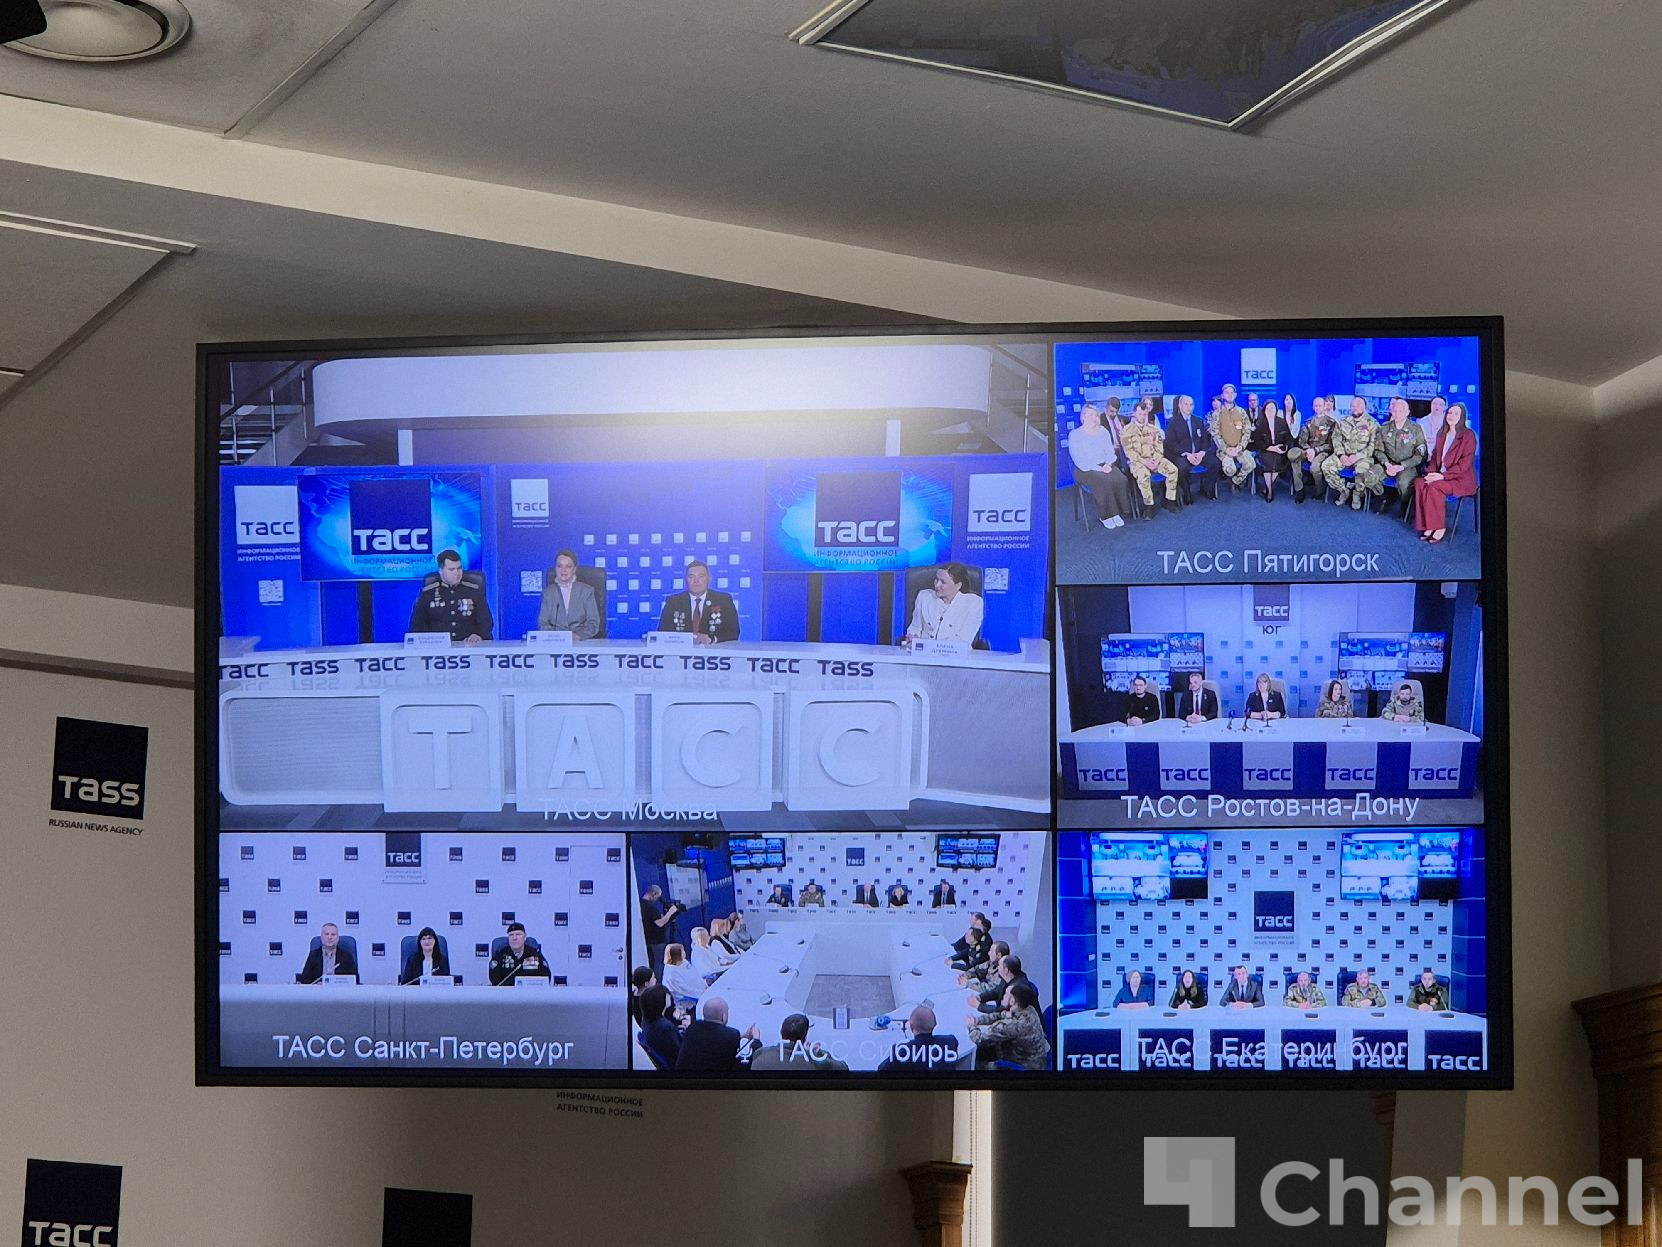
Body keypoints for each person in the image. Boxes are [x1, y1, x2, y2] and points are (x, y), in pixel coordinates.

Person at [1414, 401, 1478, 543]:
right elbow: (1435, 458)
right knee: (1420, 483)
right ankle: (1427, 525)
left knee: (1434, 487)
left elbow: (1464, 465)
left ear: (1462, 417)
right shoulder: (1442, 433)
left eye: (1456, 414)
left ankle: (1438, 527)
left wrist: (1442, 476)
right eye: (1450, 412)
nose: (1451, 416)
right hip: (1440, 474)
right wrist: (1430, 473)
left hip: (1459, 479)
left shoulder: (1468, 436)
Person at [1067, 401, 1135, 529]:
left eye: (1095, 415)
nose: (1093, 418)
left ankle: (1117, 512)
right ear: (1083, 416)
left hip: (1105, 464)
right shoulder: (1075, 434)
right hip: (1085, 468)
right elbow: (1079, 460)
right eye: (1090, 415)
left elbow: (1110, 452)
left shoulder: (1103, 431)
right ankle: (1106, 516)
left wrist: (1108, 464)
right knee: (1103, 481)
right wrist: (1099, 468)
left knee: (1121, 479)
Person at [407, 548, 492, 642]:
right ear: (441, 571)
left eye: (459, 568)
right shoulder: (427, 593)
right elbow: (416, 626)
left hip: (468, 645)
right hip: (438, 647)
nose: (457, 573)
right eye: (451, 569)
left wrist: (478, 635)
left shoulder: (473, 591)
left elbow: (486, 622)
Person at [967, 981, 1050, 1071]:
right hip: (1037, 1056)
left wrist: (971, 1026)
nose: (1003, 995)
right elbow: (1002, 1014)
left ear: (1012, 1001)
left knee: (978, 1058)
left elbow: (979, 1040)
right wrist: (979, 1020)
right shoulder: (1028, 1009)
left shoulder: (1011, 1025)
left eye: (1006, 994)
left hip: (1027, 1065)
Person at [1121, 397, 1180, 517]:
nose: (1142, 417)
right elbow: (1130, 453)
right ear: (1134, 413)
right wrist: (1145, 462)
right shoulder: (1126, 431)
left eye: (1144, 414)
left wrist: (1156, 460)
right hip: (1138, 461)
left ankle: (1170, 500)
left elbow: (1159, 448)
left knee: (1173, 470)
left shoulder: (1154, 429)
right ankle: (1148, 506)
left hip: (1154, 459)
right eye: (1140, 414)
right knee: (1144, 476)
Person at [657, 560, 739, 643]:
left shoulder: (724, 600)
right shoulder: (673, 602)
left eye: (701, 576)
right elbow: (662, 632)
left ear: (709, 579)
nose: (696, 581)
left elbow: (734, 632)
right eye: (691, 577)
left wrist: (711, 639)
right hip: (682, 649)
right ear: (686, 580)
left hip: (713, 649)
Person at [903, 562, 984, 646]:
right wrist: (912, 636)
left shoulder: (973, 603)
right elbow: (915, 627)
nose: (937, 585)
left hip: (954, 652)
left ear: (958, 585)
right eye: (936, 579)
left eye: (943, 582)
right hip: (923, 651)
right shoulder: (924, 596)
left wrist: (934, 648)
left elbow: (964, 639)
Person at [1324, 398, 1383, 510]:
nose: (1355, 408)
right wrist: (1341, 455)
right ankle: (1343, 490)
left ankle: (1357, 494)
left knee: (1363, 469)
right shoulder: (1343, 421)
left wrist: (1357, 457)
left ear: (1365, 407)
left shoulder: (1373, 424)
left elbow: (1373, 447)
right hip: (1344, 454)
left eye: (1359, 405)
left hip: (1363, 457)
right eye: (1353, 405)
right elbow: (1336, 439)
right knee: (1326, 466)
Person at [674, 997, 761, 1072]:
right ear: (724, 1016)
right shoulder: (730, 1035)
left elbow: (711, 1038)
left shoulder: (692, 1029)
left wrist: (744, 1036)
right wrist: (756, 1040)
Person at [1376, 397, 1428, 517]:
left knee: (1403, 483)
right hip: (1388, 463)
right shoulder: (1384, 427)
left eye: (1401, 411)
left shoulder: (1415, 429)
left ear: (1407, 412)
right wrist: (1386, 463)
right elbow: (1378, 450)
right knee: (1370, 476)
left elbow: (1420, 454)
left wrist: (1402, 466)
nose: (1397, 414)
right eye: (1395, 411)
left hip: (1408, 465)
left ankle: (1406, 506)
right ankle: (1384, 499)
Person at [1164, 394, 1219, 504]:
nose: (1189, 407)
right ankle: (1187, 493)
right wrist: (1186, 454)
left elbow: (1205, 439)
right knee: (1182, 468)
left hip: (1198, 454)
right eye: (1186, 404)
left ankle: (1207, 489)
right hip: (1183, 455)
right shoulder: (1172, 422)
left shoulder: (1198, 421)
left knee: (1215, 463)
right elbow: (1170, 443)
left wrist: (1202, 453)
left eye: (1191, 405)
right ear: (1180, 405)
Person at [535, 548, 601, 638]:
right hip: (556, 642)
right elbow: (543, 624)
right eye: (559, 566)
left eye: (568, 566)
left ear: (574, 569)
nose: (563, 570)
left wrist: (578, 636)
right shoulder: (548, 593)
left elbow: (593, 623)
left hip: (581, 641)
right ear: (555, 569)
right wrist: (558, 636)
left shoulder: (586, 591)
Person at [750, 1013, 850, 1072]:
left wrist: (756, 1039)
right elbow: (843, 1068)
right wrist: (816, 1054)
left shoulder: (761, 1055)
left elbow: (756, 1053)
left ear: (781, 1032)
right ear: (805, 1037)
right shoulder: (815, 1063)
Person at [878, 1005, 961, 1073]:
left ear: (911, 1026)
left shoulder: (903, 1051)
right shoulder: (951, 1042)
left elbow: (881, 1069)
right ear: (935, 1024)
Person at [1208, 383, 1257, 489]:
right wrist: (1226, 449)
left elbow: (1247, 431)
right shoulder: (1217, 414)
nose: (1229, 395)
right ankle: (1233, 477)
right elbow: (1215, 433)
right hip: (1224, 450)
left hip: (1239, 448)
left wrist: (1240, 447)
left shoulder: (1241, 412)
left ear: (1235, 395)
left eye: (1232, 393)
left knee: (1251, 465)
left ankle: (1237, 481)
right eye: (1227, 393)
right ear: (1222, 395)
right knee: (1230, 470)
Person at [1291, 396, 1336, 503]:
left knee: (1314, 468)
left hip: (1323, 452)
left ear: (1324, 406)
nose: (1318, 408)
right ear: (1313, 407)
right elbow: (1302, 441)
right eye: (1316, 405)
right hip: (1308, 450)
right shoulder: (1308, 422)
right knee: (1294, 457)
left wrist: (1315, 451)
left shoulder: (1331, 423)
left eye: (1320, 405)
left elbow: (1331, 445)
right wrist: (1308, 450)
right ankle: (1300, 489)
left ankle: (1319, 490)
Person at [1252, 397, 1294, 503]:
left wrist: (1284, 447)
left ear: (1276, 410)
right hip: (1265, 450)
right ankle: (1270, 492)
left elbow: (1289, 438)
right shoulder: (1260, 423)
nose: (1271, 411)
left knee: (1278, 461)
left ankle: (1267, 487)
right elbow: (1257, 441)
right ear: (1264, 410)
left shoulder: (1282, 422)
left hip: (1280, 450)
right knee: (1268, 462)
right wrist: (1270, 448)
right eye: (1268, 408)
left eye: (1273, 408)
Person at [639, 884, 681, 981]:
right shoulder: (650, 907)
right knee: (658, 963)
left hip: (646, 939)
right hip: (656, 941)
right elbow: (660, 923)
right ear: (653, 893)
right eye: (657, 897)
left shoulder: (639, 904)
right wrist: (670, 912)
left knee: (651, 962)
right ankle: (658, 982)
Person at [636, 984, 682, 1071]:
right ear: (660, 1001)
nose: (669, 996)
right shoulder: (665, 1027)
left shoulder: (646, 1022)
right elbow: (680, 1051)